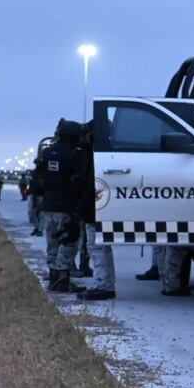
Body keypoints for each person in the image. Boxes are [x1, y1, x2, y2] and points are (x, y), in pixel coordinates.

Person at [41, 120, 87, 293]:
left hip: (49, 206)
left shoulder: (47, 152)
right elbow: (79, 181)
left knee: (52, 243)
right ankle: (63, 281)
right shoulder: (76, 154)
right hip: (67, 207)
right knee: (68, 243)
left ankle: (53, 277)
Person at [75, 121, 115, 300]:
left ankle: (102, 285)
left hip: (94, 209)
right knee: (102, 248)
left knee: (97, 248)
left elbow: (89, 185)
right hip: (99, 207)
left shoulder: (95, 156)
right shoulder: (105, 153)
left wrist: (80, 208)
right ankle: (106, 284)